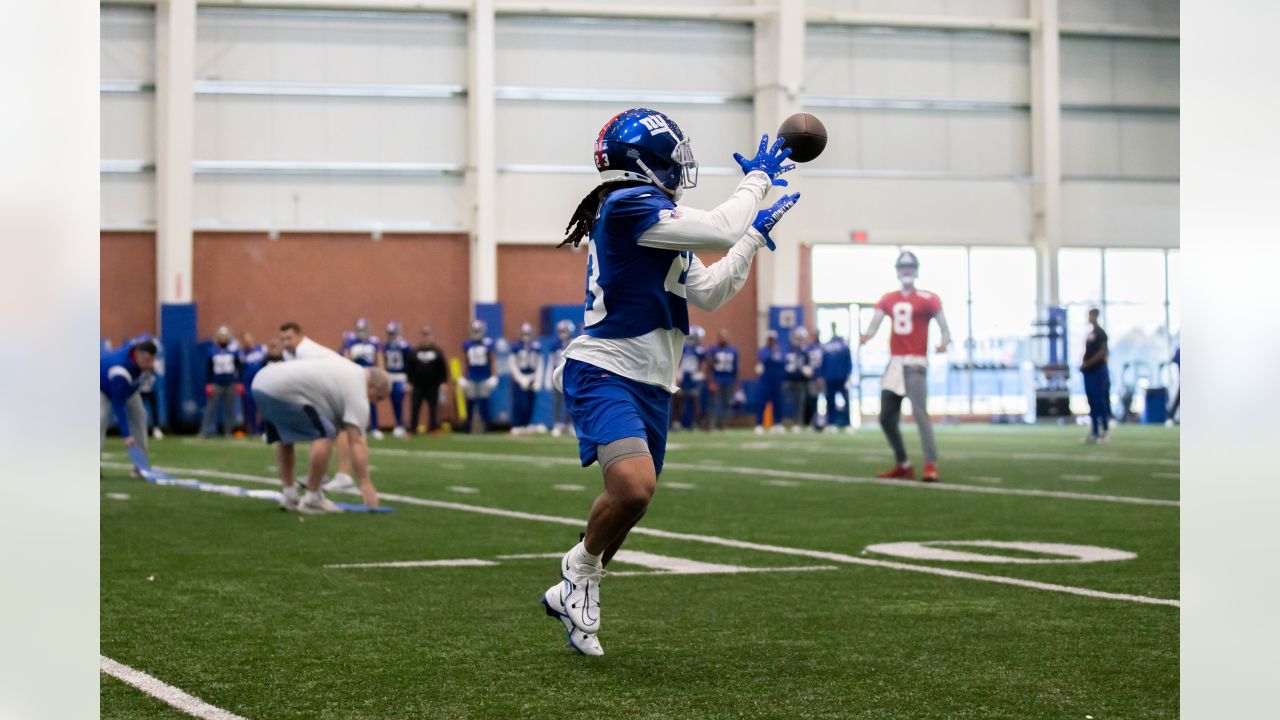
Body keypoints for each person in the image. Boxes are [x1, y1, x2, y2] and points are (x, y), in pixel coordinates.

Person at [539, 108, 800, 656]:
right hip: (605, 367)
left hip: (653, 380)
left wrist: (751, 238)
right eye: (673, 156)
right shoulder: (628, 203)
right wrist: (756, 184)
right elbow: (720, 226)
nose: (681, 168)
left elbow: (707, 292)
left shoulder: (658, 221)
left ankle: (576, 585)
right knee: (633, 486)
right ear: (647, 160)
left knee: (634, 502)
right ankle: (578, 569)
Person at [250, 357, 389, 513]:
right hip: (284, 387)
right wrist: (365, 483)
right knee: (326, 434)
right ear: (373, 386)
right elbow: (356, 441)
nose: (375, 403)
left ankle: (289, 495)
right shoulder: (358, 384)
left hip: (260, 382)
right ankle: (312, 498)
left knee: (284, 436)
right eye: (379, 397)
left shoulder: (345, 368)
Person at [860, 251, 951, 482]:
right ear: (898, 270)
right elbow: (875, 323)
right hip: (895, 364)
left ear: (916, 269)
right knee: (885, 418)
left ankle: (931, 464)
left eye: (910, 266)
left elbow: (945, 329)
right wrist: (867, 336)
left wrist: (943, 343)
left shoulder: (929, 299)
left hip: (915, 363)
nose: (907, 270)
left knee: (920, 415)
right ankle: (903, 463)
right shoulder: (888, 298)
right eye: (904, 266)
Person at [100, 338, 158, 456]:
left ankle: (140, 462)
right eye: (147, 360)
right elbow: (119, 405)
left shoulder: (145, 362)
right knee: (101, 418)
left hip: (127, 386)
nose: (150, 364)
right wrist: (127, 435)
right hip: (101, 385)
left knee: (140, 414)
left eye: (152, 360)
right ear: (137, 355)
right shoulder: (120, 371)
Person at [343, 318, 384, 440]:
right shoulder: (350, 342)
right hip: (356, 374)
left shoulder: (374, 342)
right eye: (359, 329)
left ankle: (375, 427)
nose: (362, 332)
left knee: (372, 400)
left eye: (364, 329)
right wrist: (351, 356)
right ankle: (361, 427)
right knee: (357, 402)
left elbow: (379, 357)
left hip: (371, 375)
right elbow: (345, 359)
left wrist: (381, 373)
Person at [201, 325, 243, 438]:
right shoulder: (212, 351)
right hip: (216, 383)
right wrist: (208, 383)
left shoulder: (233, 351)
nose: (223, 338)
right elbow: (208, 368)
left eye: (225, 336)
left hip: (230, 383)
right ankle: (205, 431)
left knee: (230, 409)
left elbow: (239, 367)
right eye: (221, 336)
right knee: (210, 408)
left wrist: (239, 382)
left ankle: (228, 432)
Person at [1080, 307, 1112, 444]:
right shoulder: (1090, 334)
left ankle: (1104, 431)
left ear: (1094, 316)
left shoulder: (1101, 334)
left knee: (1100, 401)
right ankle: (1094, 432)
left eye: (1089, 315)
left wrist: (1088, 363)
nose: (1088, 318)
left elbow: (1102, 353)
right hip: (1088, 373)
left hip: (1098, 371)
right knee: (1092, 402)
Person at [408, 326, 448, 434]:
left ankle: (433, 429)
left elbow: (443, 368)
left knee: (433, 408)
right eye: (424, 335)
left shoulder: (437, 352)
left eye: (428, 335)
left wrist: (443, 382)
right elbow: (410, 368)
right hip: (418, 385)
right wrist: (409, 382)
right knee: (415, 407)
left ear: (432, 336)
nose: (426, 338)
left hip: (433, 385)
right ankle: (412, 429)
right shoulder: (415, 352)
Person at [460, 319, 497, 433]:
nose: (476, 332)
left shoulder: (487, 343)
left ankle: (487, 427)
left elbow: (492, 360)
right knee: (470, 402)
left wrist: (494, 376)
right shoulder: (467, 344)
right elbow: (464, 361)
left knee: (484, 402)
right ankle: (468, 427)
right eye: (474, 330)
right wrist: (463, 377)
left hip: (484, 376)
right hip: (471, 376)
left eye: (478, 330)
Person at [509, 322, 544, 435]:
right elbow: (512, 364)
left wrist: (538, 380)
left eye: (528, 334)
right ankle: (517, 424)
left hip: (532, 376)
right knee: (519, 402)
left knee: (530, 402)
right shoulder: (516, 347)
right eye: (524, 334)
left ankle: (527, 424)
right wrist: (520, 378)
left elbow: (540, 364)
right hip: (520, 376)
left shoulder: (536, 347)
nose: (526, 336)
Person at [673, 326, 708, 430]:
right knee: (678, 400)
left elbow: (704, 363)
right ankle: (676, 423)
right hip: (683, 376)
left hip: (693, 377)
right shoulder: (683, 348)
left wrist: (701, 373)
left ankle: (694, 423)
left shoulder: (699, 350)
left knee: (695, 400)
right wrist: (677, 373)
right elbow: (678, 360)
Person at [546, 319, 577, 437]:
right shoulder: (555, 344)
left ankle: (570, 424)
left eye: (564, 331)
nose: (562, 334)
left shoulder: (574, 342)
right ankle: (557, 424)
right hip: (558, 376)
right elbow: (550, 361)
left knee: (572, 401)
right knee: (557, 401)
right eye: (560, 331)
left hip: (571, 376)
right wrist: (548, 378)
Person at [821, 324, 854, 433]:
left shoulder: (844, 346)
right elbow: (823, 363)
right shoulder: (827, 346)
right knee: (830, 401)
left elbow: (849, 363)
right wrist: (822, 376)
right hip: (830, 377)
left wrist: (849, 376)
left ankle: (847, 423)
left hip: (841, 377)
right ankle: (831, 423)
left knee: (845, 401)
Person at [382, 321, 413, 438]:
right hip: (390, 376)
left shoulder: (404, 346)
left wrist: (409, 380)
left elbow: (409, 363)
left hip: (401, 376)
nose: (391, 334)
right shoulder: (386, 346)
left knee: (398, 399)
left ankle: (400, 424)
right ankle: (398, 423)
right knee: (393, 401)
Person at [754, 330, 786, 434]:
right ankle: (759, 423)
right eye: (770, 339)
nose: (771, 341)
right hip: (766, 380)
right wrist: (773, 358)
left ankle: (778, 423)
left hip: (777, 381)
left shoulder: (779, 351)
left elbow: (783, 362)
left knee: (778, 402)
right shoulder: (764, 350)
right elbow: (764, 358)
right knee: (762, 402)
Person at [708, 329, 739, 430]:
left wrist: (736, 383)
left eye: (725, 336)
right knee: (714, 403)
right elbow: (709, 367)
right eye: (721, 336)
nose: (723, 339)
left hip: (728, 380)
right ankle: (712, 424)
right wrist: (711, 381)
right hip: (717, 379)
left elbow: (736, 368)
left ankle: (723, 424)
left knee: (726, 403)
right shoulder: (713, 350)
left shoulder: (733, 350)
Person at [782, 326, 810, 432]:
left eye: (801, 338)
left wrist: (806, 369)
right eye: (798, 338)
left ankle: (798, 422)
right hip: (788, 379)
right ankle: (785, 422)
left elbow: (807, 365)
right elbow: (783, 363)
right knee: (786, 402)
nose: (799, 341)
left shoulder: (804, 351)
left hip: (800, 380)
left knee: (799, 402)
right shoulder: (787, 349)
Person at [239, 332, 267, 436]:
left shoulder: (262, 349)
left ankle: (263, 428)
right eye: (245, 340)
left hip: (261, 381)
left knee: (263, 407)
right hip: (248, 384)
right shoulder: (242, 353)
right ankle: (253, 429)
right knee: (250, 408)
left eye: (249, 339)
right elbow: (240, 369)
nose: (248, 342)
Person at [803, 326, 825, 429]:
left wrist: (822, 376)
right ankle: (814, 421)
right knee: (812, 400)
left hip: (822, 378)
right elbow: (804, 361)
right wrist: (806, 369)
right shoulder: (808, 348)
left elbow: (826, 363)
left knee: (825, 399)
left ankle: (824, 421)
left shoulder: (823, 348)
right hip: (812, 378)